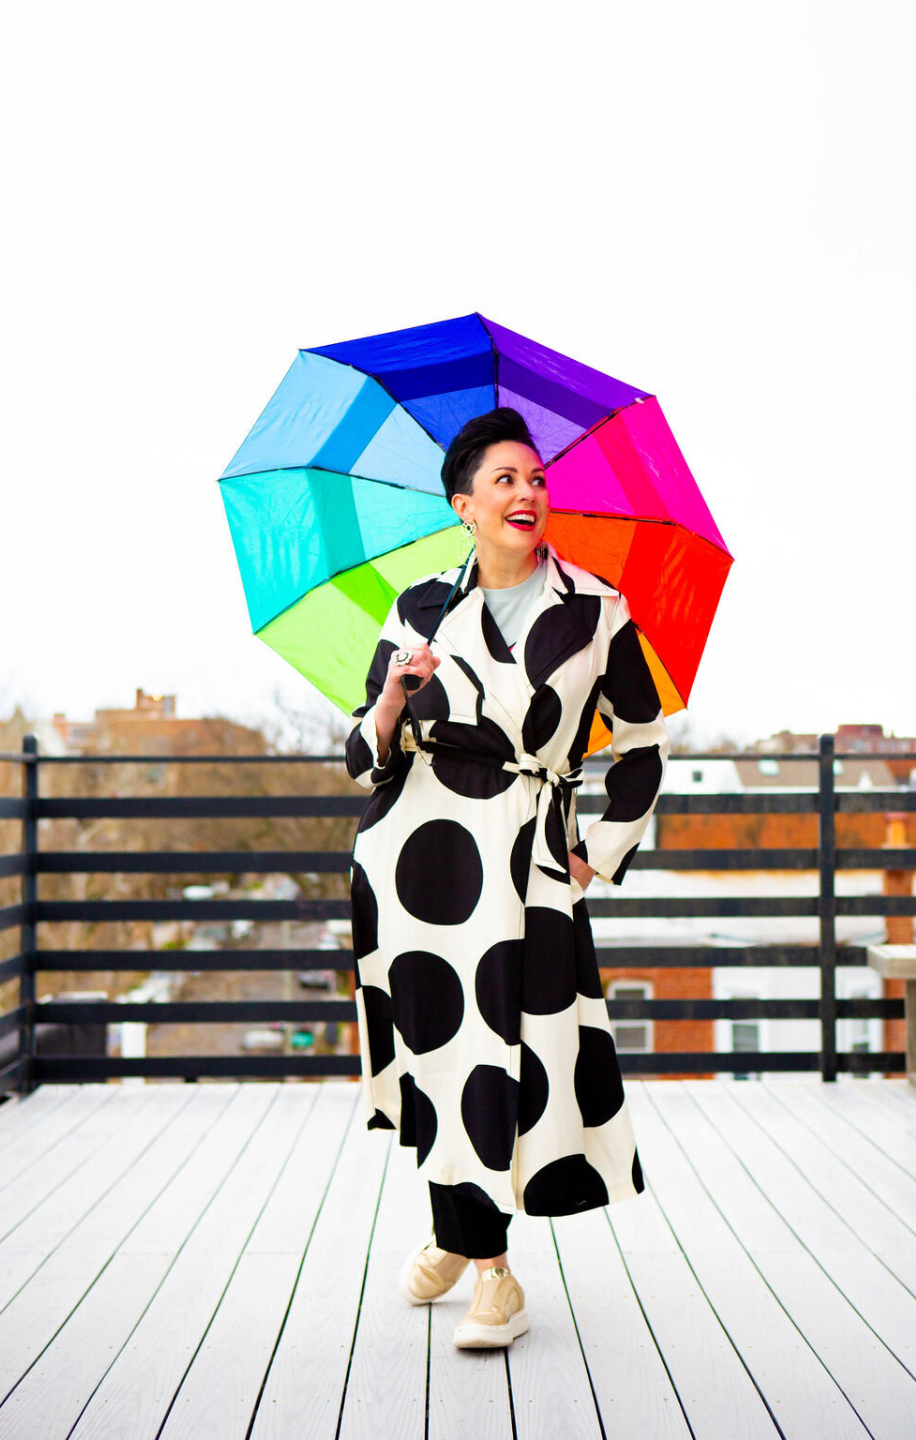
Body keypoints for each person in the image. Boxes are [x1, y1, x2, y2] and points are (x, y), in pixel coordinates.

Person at [344, 406, 669, 1349]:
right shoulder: (418, 608)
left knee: (510, 1051)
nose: (528, 493)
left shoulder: (597, 609)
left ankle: (471, 1252)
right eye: (506, 480)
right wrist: (394, 695)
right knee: (441, 1049)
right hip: (416, 858)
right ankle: (484, 1262)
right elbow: (361, 757)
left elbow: (643, 745)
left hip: (528, 858)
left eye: (537, 479)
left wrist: (599, 850)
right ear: (465, 506)